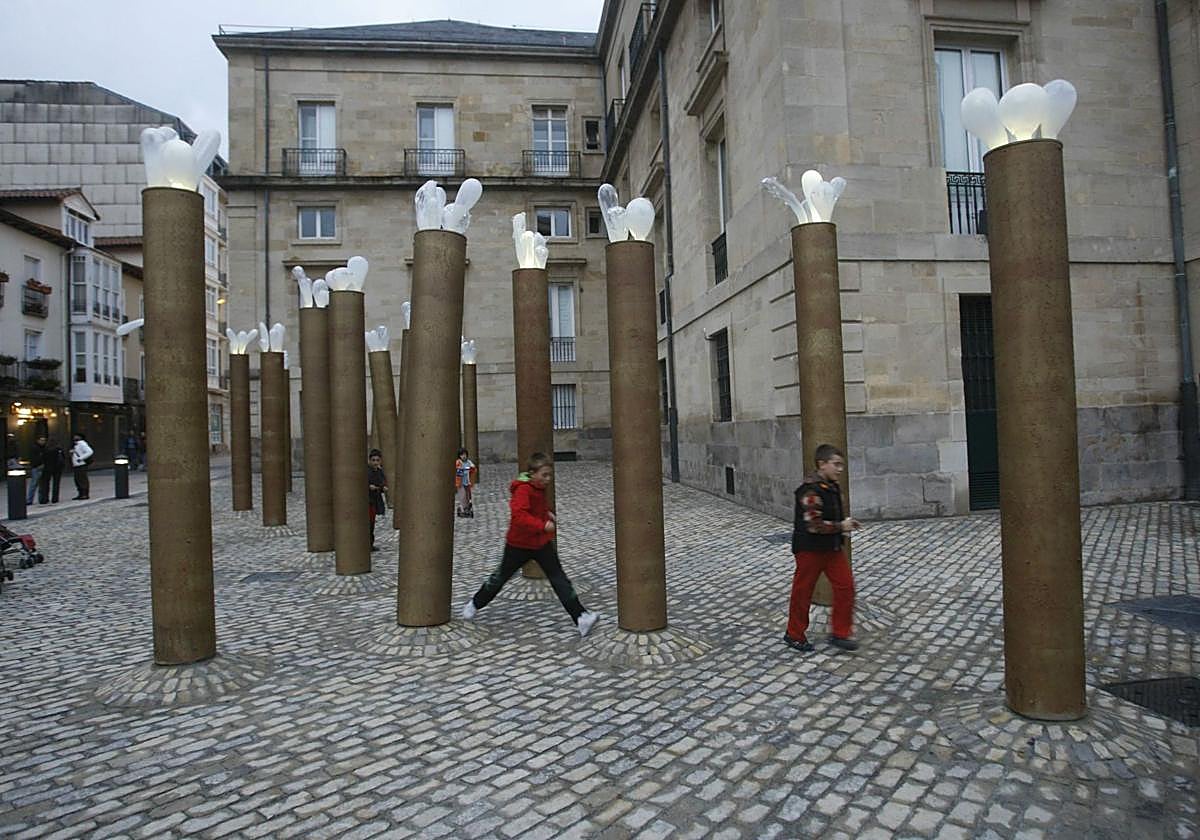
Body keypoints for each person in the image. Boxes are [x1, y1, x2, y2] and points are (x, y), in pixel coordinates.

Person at [462, 452, 599, 637]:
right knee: (500, 577)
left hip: (540, 543)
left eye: (549, 475)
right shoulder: (523, 489)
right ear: (532, 473)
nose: (547, 479)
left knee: (559, 578)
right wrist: (542, 524)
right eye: (544, 475)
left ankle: (580, 616)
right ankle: (475, 603)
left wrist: (546, 514)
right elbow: (520, 516)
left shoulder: (537, 487)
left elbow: (536, 509)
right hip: (518, 544)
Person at [784, 443, 861, 653]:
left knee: (846, 587)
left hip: (831, 548)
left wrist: (845, 522)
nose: (839, 469)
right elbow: (814, 525)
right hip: (810, 550)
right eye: (836, 464)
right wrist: (841, 526)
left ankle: (840, 632)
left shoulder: (831, 486)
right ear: (822, 464)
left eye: (841, 465)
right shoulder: (810, 491)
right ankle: (794, 634)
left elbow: (830, 514)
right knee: (803, 593)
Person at [367, 448, 388, 551]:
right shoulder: (368, 472)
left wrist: (383, 487)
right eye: (373, 460)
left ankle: (370, 543)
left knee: (372, 523)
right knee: (368, 523)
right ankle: (368, 543)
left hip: (374, 501)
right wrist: (369, 486)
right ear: (370, 460)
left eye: (377, 460)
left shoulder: (379, 472)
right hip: (368, 501)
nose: (375, 462)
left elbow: (382, 482)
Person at [70, 433, 94, 500]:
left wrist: (81, 458)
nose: (75, 437)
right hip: (76, 464)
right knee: (78, 479)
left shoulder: (81, 443)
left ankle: (84, 494)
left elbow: (90, 451)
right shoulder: (76, 444)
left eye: (76, 436)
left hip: (81, 464)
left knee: (82, 479)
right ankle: (81, 493)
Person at [455, 447, 476, 518]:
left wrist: (472, 468)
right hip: (460, 482)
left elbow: (473, 467)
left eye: (465, 454)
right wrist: (460, 469)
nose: (463, 456)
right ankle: (464, 508)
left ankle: (467, 507)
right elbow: (457, 468)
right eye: (462, 455)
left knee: (468, 495)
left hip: (467, 481)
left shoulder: (468, 462)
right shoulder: (458, 462)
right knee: (463, 495)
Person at [42, 438, 65, 504]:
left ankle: (45, 498)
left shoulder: (46, 450)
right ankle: (55, 498)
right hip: (57, 468)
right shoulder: (59, 450)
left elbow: (43, 458)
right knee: (56, 484)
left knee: (46, 484)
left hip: (47, 468)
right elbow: (63, 458)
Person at [26, 435, 47, 505]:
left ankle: (41, 499)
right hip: (36, 467)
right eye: (42, 440)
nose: (43, 442)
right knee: (34, 484)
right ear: (38, 440)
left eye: (44, 440)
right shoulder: (35, 448)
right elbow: (34, 458)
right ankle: (29, 499)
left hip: (41, 467)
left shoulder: (43, 448)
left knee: (41, 484)